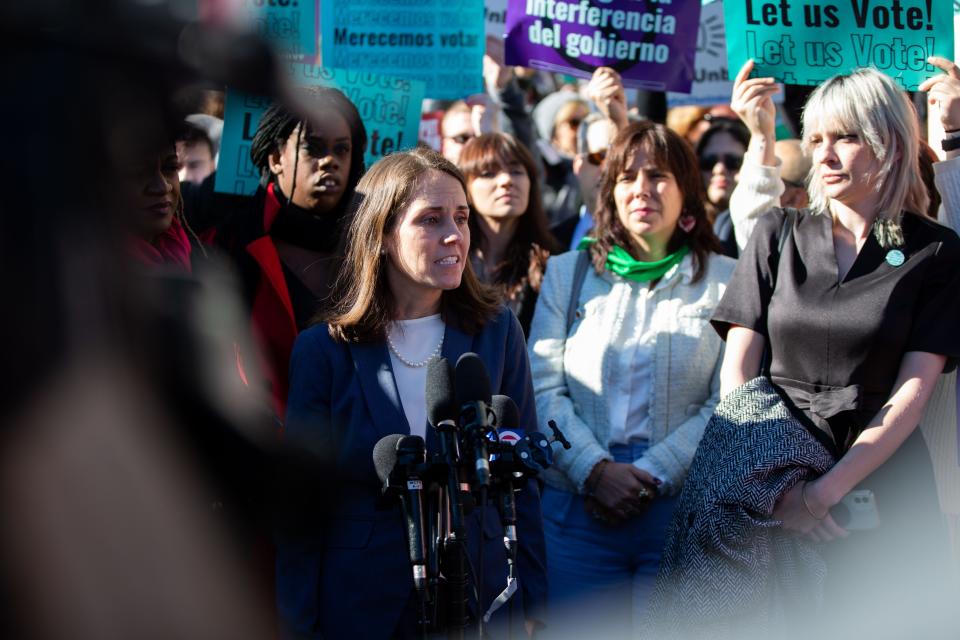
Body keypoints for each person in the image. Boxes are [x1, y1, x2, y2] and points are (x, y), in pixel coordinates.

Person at [708, 66, 960, 633]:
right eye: (816, 137)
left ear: (889, 143)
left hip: (888, 491)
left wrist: (824, 494)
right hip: (769, 482)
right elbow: (738, 373)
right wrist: (774, 483)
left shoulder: (934, 251)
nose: (824, 153)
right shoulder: (778, 230)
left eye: (844, 136)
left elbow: (912, 394)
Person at [278, 148, 547, 638]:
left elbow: (521, 475)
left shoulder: (498, 331)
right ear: (381, 235)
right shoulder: (323, 351)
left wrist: (533, 599)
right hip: (363, 605)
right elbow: (301, 508)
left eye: (462, 218)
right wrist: (298, 624)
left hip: (481, 598)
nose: (454, 234)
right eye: (430, 219)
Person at [527, 120, 734, 635]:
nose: (642, 188)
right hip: (576, 511)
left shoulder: (728, 279)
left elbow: (729, 401)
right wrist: (595, 471)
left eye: (659, 175)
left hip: (679, 512)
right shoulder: (567, 273)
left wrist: (651, 474)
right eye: (626, 176)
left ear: (687, 188)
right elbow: (541, 388)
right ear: (610, 192)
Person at [185, 85, 367, 419]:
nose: (330, 161)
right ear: (275, 158)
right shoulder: (225, 242)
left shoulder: (375, 246)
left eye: (342, 150)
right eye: (313, 147)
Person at [459, 133, 560, 335]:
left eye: (516, 171)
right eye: (488, 173)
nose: (506, 180)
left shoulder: (555, 263)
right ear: (465, 189)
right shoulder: (447, 258)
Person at [695, 117, 749, 225]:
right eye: (709, 161)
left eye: (733, 162)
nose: (719, 169)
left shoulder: (771, 225)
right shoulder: (680, 226)